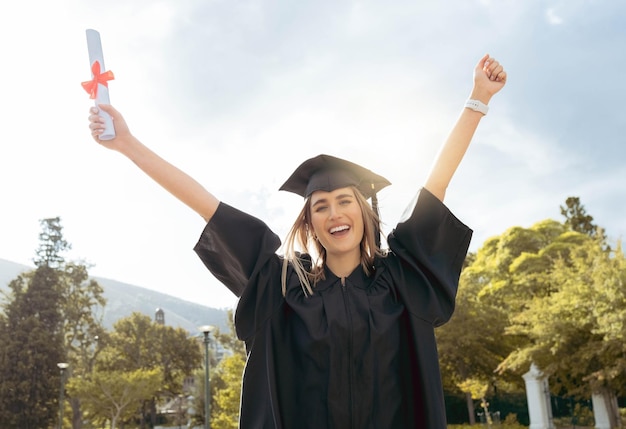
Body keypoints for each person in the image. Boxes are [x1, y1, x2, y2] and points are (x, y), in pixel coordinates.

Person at [88, 54, 507, 428]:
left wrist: (477, 100)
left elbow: (436, 187)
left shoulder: (400, 281)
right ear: (309, 223)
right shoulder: (283, 287)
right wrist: (127, 144)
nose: (334, 213)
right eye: (320, 206)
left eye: (345, 201)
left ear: (364, 213)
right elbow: (208, 206)